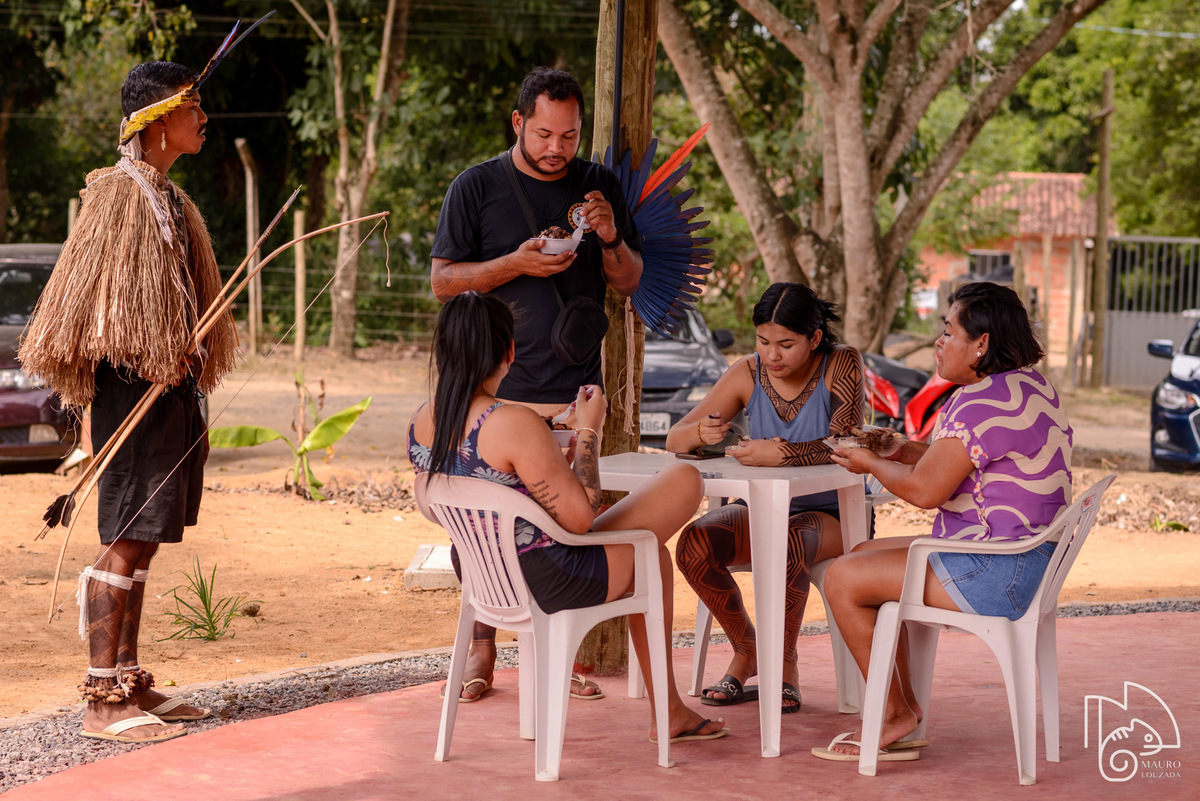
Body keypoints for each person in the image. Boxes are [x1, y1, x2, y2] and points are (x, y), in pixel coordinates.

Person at [18, 61, 239, 743]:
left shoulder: (169, 200)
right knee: (121, 539)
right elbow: (95, 314)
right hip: (132, 391)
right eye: (193, 105)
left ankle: (130, 679)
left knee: (142, 542)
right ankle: (99, 698)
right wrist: (151, 354)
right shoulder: (116, 195)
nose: (203, 118)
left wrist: (190, 350)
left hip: (170, 390)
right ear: (158, 120)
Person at [408, 292, 728, 744]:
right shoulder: (512, 421)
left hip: (484, 573)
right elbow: (581, 517)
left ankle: (670, 710)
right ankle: (668, 712)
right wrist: (588, 430)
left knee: (650, 552)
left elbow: (485, 489)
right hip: (549, 575)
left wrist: (558, 442)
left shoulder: (423, 420)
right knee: (682, 484)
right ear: (510, 352)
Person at [428, 66, 643, 701]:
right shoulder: (476, 187)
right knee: (484, 526)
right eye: (545, 133)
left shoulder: (598, 184)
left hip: (576, 396)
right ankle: (482, 646)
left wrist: (608, 237)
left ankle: (558, 650)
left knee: (567, 529)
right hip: (495, 397)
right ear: (518, 122)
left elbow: (628, 280)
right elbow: (443, 282)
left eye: (570, 137)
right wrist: (514, 264)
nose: (557, 149)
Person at [812, 281, 1072, 763]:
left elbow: (928, 492)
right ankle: (904, 707)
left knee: (842, 578)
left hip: (996, 573)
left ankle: (894, 715)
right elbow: (961, 464)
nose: (939, 341)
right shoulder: (1029, 387)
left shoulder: (973, 403)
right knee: (862, 556)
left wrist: (868, 463)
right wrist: (901, 450)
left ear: (981, 344)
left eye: (948, 331)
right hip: (1031, 561)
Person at [664, 282, 864, 713]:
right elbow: (674, 438)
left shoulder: (840, 363)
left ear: (814, 339)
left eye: (787, 344)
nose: (772, 355)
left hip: (833, 515)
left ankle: (785, 665)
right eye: (763, 341)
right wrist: (703, 433)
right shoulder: (747, 372)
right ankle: (749, 649)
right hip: (763, 509)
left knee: (789, 538)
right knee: (695, 546)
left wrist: (783, 453)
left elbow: (847, 442)